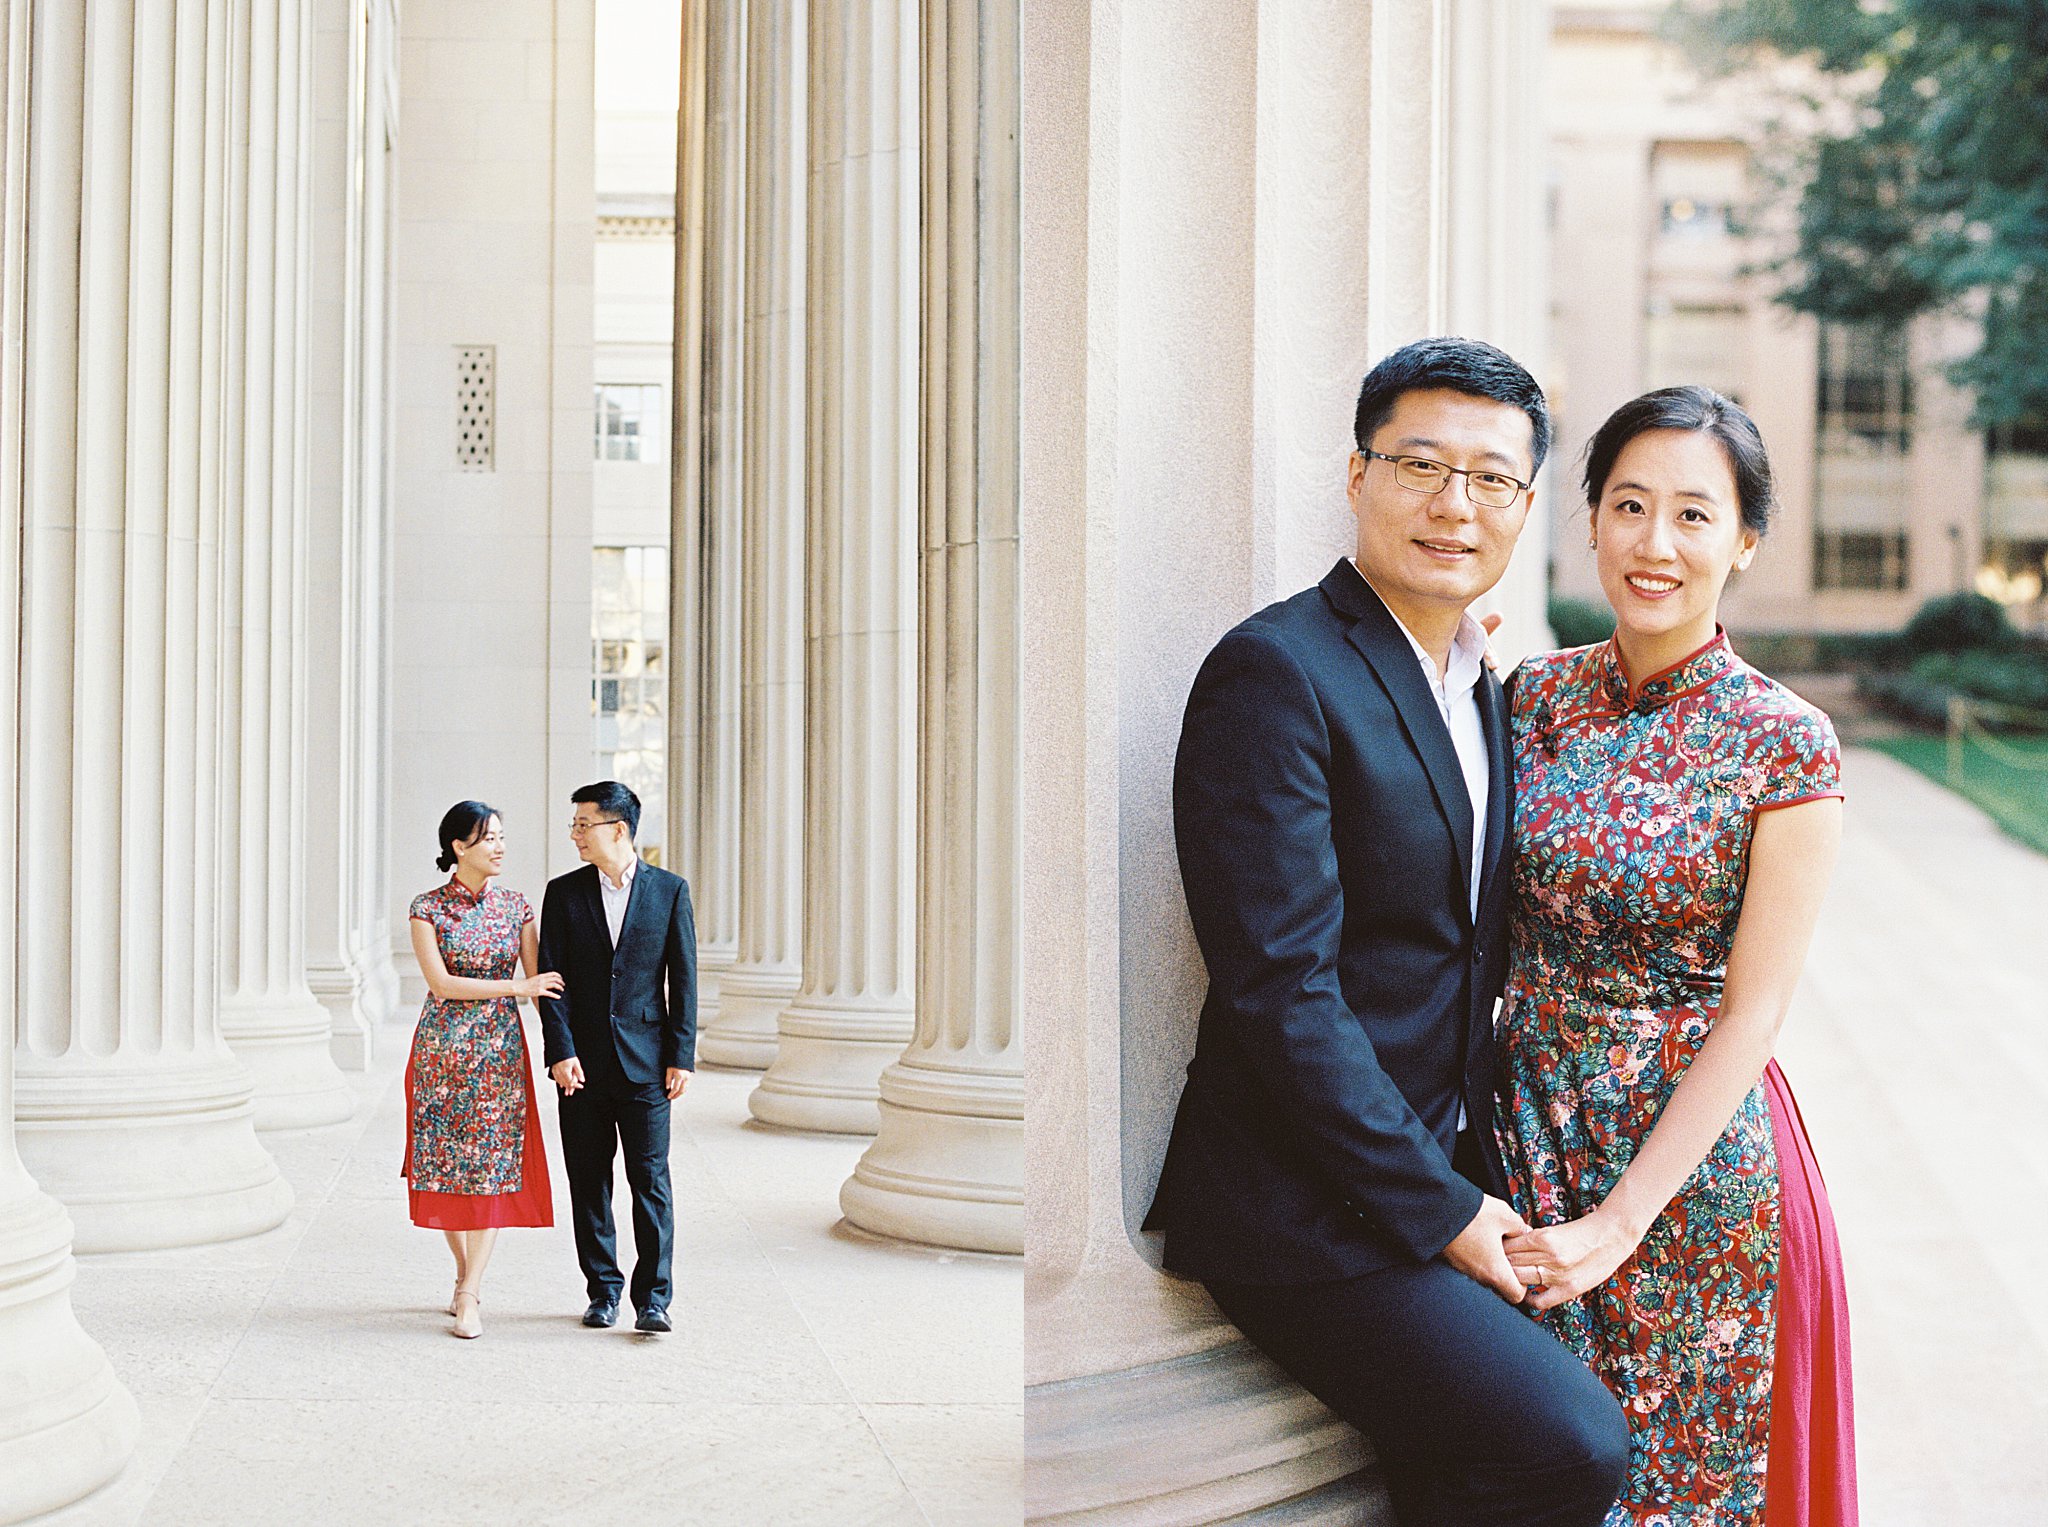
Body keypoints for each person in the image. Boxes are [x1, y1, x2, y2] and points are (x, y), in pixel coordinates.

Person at [1145, 337, 1630, 1527]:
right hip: (1302, 1204)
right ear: (1355, 475)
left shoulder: (1475, 679)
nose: (1451, 505)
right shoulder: (1276, 669)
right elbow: (1280, 994)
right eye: (1418, 464)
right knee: (1571, 1447)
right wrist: (1448, 1211)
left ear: (1522, 506)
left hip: (1441, 1159)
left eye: (1489, 480)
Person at [1496, 385, 1857, 1526]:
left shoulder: (1782, 741)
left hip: (1689, 1178)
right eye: (1628, 505)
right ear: (1590, 519)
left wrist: (1617, 1224)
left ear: (1744, 540)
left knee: (1678, 1498)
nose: (1654, 544)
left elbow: (1753, 1014)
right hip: (1515, 1134)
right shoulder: (1526, 699)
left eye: (1693, 515)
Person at [537, 781, 697, 1334]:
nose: (576, 834)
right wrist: (560, 1051)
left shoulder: (670, 891)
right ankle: (602, 1291)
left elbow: (684, 980)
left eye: (585, 824)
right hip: (580, 1067)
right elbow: (551, 983)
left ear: (619, 829)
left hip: (648, 1063)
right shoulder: (563, 893)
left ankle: (654, 1299)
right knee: (588, 1180)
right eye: (575, 825)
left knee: (650, 1181)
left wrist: (682, 1056)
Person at [402, 801, 561, 1340]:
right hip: (441, 1054)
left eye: (501, 837)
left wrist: (569, 1047)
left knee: (492, 1168)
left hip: (497, 1056)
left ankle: (470, 1290)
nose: (499, 847)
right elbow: (442, 984)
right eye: (487, 838)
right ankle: (462, 1274)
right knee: (447, 1171)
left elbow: (543, 987)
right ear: (458, 847)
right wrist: (516, 988)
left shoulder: (517, 907)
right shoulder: (427, 908)